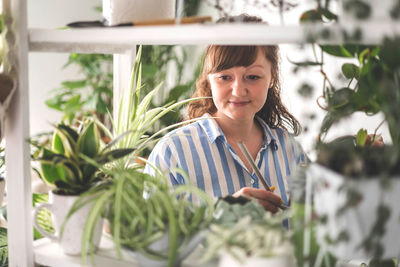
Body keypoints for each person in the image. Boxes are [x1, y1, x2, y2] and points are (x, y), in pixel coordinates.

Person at [144, 14, 306, 213]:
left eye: (253, 77)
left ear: (272, 77)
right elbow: (155, 240)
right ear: (209, 79)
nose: (238, 90)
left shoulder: (290, 151)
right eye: (224, 77)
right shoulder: (173, 153)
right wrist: (221, 217)